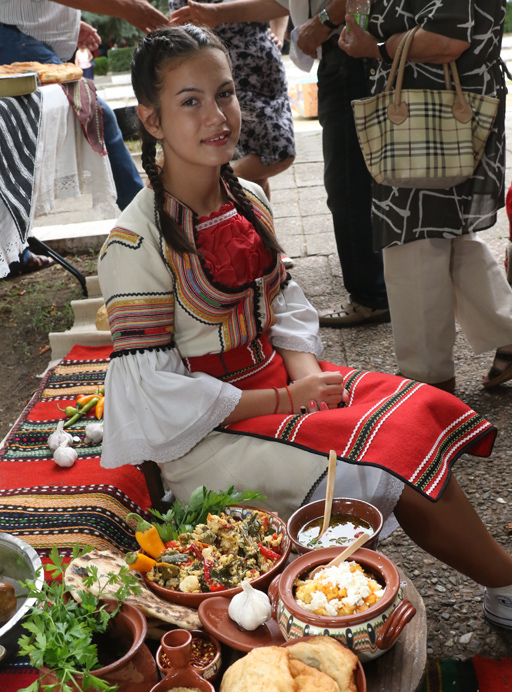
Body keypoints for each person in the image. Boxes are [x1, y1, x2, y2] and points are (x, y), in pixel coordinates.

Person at [98, 25, 512, 629]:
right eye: (190, 102)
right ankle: (494, 583)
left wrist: (306, 378)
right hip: (204, 435)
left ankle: (498, 582)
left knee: (418, 409)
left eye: (227, 93)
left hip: (282, 385)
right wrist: (287, 400)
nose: (217, 116)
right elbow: (155, 400)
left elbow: (283, 300)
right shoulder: (134, 244)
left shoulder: (249, 201)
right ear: (152, 121)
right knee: (377, 464)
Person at [171, 0, 390, 327]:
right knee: (344, 181)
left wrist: (315, 22)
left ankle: (371, 294)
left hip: (324, 52)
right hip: (318, 54)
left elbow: (282, 5)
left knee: (336, 178)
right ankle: (263, 252)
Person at [338, 0, 512, 392]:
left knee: (411, 240)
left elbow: (449, 37)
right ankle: (506, 332)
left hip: (432, 114)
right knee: (444, 235)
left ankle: (427, 381)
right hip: (441, 112)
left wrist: (376, 49)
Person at [0, 0, 170, 274]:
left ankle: (15, 253)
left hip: (21, 33)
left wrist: (67, 27)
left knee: (17, 141)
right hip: (15, 35)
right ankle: (155, 228)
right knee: (97, 115)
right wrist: (130, 8)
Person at [168, 1, 295, 199]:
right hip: (222, 72)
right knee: (276, 152)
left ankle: (258, 227)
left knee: (259, 170)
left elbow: (283, 3)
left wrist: (277, 35)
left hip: (265, 71)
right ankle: (207, 193)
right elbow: (182, 24)